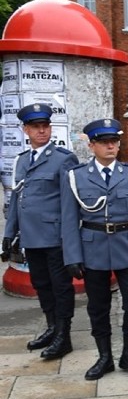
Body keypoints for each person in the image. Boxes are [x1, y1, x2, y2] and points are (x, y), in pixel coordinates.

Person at [60, 118, 128, 380]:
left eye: (114, 141)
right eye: (104, 142)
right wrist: (72, 256)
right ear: (92, 145)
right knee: (97, 307)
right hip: (93, 249)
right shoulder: (76, 177)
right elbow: (69, 219)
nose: (111, 146)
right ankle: (104, 358)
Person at [2, 103, 79, 359]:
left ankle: (64, 336)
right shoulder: (22, 160)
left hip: (55, 237)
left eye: (45, 126)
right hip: (31, 237)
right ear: (26, 130)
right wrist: (8, 234)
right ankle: (52, 327)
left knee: (60, 287)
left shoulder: (63, 158)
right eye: (36, 127)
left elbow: (70, 204)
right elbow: (17, 198)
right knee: (41, 285)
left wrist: (70, 240)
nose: (42, 131)